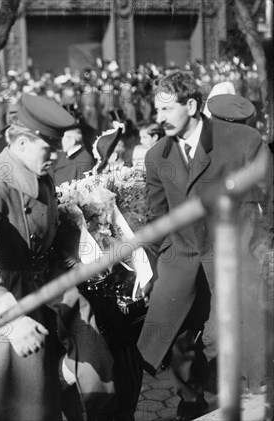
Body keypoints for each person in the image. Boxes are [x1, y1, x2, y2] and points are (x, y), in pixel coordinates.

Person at [0, 93, 114, 421]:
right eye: (49, 147)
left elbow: (46, 240)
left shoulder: (40, 176)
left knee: (87, 367)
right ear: (21, 142)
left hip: (39, 292)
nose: (56, 155)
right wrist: (10, 319)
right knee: (7, 404)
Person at [138, 71, 272, 420]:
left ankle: (259, 396)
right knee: (178, 337)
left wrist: (254, 245)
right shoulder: (156, 157)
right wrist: (166, 258)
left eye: (167, 109)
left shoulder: (241, 139)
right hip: (182, 257)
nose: (159, 118)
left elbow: (265, 198)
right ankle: (190, 398)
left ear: (192, 105)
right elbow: (159, 215)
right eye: (157, 110)